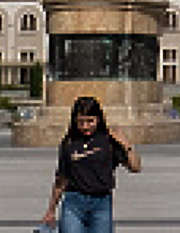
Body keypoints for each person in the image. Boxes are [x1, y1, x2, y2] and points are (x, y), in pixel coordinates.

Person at [40, 96, 140, 232]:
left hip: (101, 203)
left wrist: (126, 145)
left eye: (90, 121)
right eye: (81, 122)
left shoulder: (108, 141)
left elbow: (135, 167)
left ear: (98, 119)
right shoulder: (69, 142)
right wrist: (51, 210)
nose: (85, 126)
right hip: (73, 203)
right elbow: (61, 180)